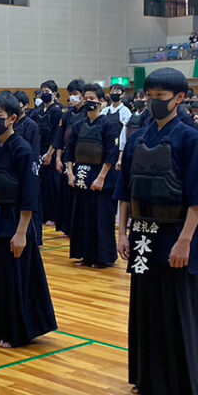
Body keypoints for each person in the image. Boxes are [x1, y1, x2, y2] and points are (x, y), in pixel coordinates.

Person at [115, 67, 198, 395]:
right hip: (143, 234)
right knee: (145, 308)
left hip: (175, 233)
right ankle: (148, 378)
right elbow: (125, 194)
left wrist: (185, 240)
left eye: (160, 97)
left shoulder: (189, 139)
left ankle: (193, 385)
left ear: (180, 98)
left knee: (181, 310)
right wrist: (122, 233)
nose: (153, 102)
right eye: (149, 96)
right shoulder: (135, 139)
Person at [0, 92, 58, 347]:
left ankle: (15, 331)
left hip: (15, 221)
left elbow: (30, 196)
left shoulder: (23, 151)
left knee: (13, 279)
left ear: (12, 119)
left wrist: (21, 233)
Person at [66, 83, 120, 268]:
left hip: (100, 175)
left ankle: (103, 258)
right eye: (86, 98)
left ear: (101, 102)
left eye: (92, 99)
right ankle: (85, 255)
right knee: (82, 218)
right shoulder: (79, 124)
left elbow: (111, 153)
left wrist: (102, 177)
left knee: (101, 218)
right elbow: (70, 150)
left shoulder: (108, 124)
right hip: (81, 173)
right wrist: (70, 173)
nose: (88, 102)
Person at [54, 80, 88, 235]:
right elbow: (60, 138)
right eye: (70, 94)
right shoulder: (67, 114)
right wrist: (58, 158)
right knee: (65, 195)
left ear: (82, 95)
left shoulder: (87, 114)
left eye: (75, 94)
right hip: (66, 157)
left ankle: (78, 228)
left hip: (80, 158)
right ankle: (66, 226)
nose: (72, 97)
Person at [33, 80, 63, 226]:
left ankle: (54, 215)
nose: (44, 94)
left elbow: (58, 135)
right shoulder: (37, 111)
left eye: (47, 92)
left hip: (51, 151)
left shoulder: (57, 111)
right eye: (43, 92)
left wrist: (50, 154)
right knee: (41, 185)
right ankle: (43, 213)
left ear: (54, 94)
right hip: (38, 150)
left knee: (52, 185)